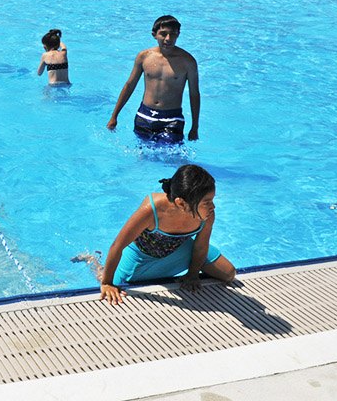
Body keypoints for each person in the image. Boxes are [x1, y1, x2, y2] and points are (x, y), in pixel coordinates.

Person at [95, 165, 235, 305]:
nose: (213, 206)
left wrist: (193, 273)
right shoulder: (152, 210)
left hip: (178, 250)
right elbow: (118, 245)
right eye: (207, 202)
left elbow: (201, 245)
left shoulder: (206, 214)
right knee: (118, 284)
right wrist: (107, 282)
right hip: (142, 258)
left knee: (228, 273)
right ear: (181, 203)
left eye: (212, 200)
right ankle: (93, 262)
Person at [107, 15, 199, 143]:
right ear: (154, 34)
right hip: (144, 115)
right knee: (142, 156)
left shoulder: (188, 62)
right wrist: (114, 116)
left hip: (172, 119)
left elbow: (194, 94)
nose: (168, 39)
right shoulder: (144, 57)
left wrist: (195, 127)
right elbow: (129, 86)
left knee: (171, 159)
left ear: (178, 34)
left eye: (173, 34)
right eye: (163, 34)